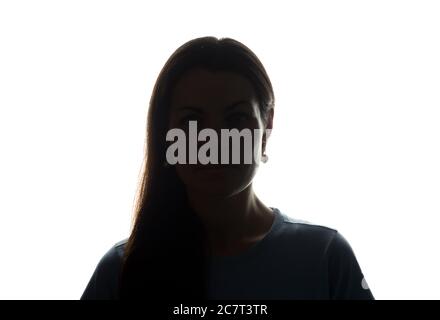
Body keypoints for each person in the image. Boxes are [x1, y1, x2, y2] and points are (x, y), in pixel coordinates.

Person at [80, 36, 374, 300]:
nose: (215, 142)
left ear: (267, 125)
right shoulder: (121, 272)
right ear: (166, 135)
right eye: (192, 122)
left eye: (236, 119)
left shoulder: (325, 258)